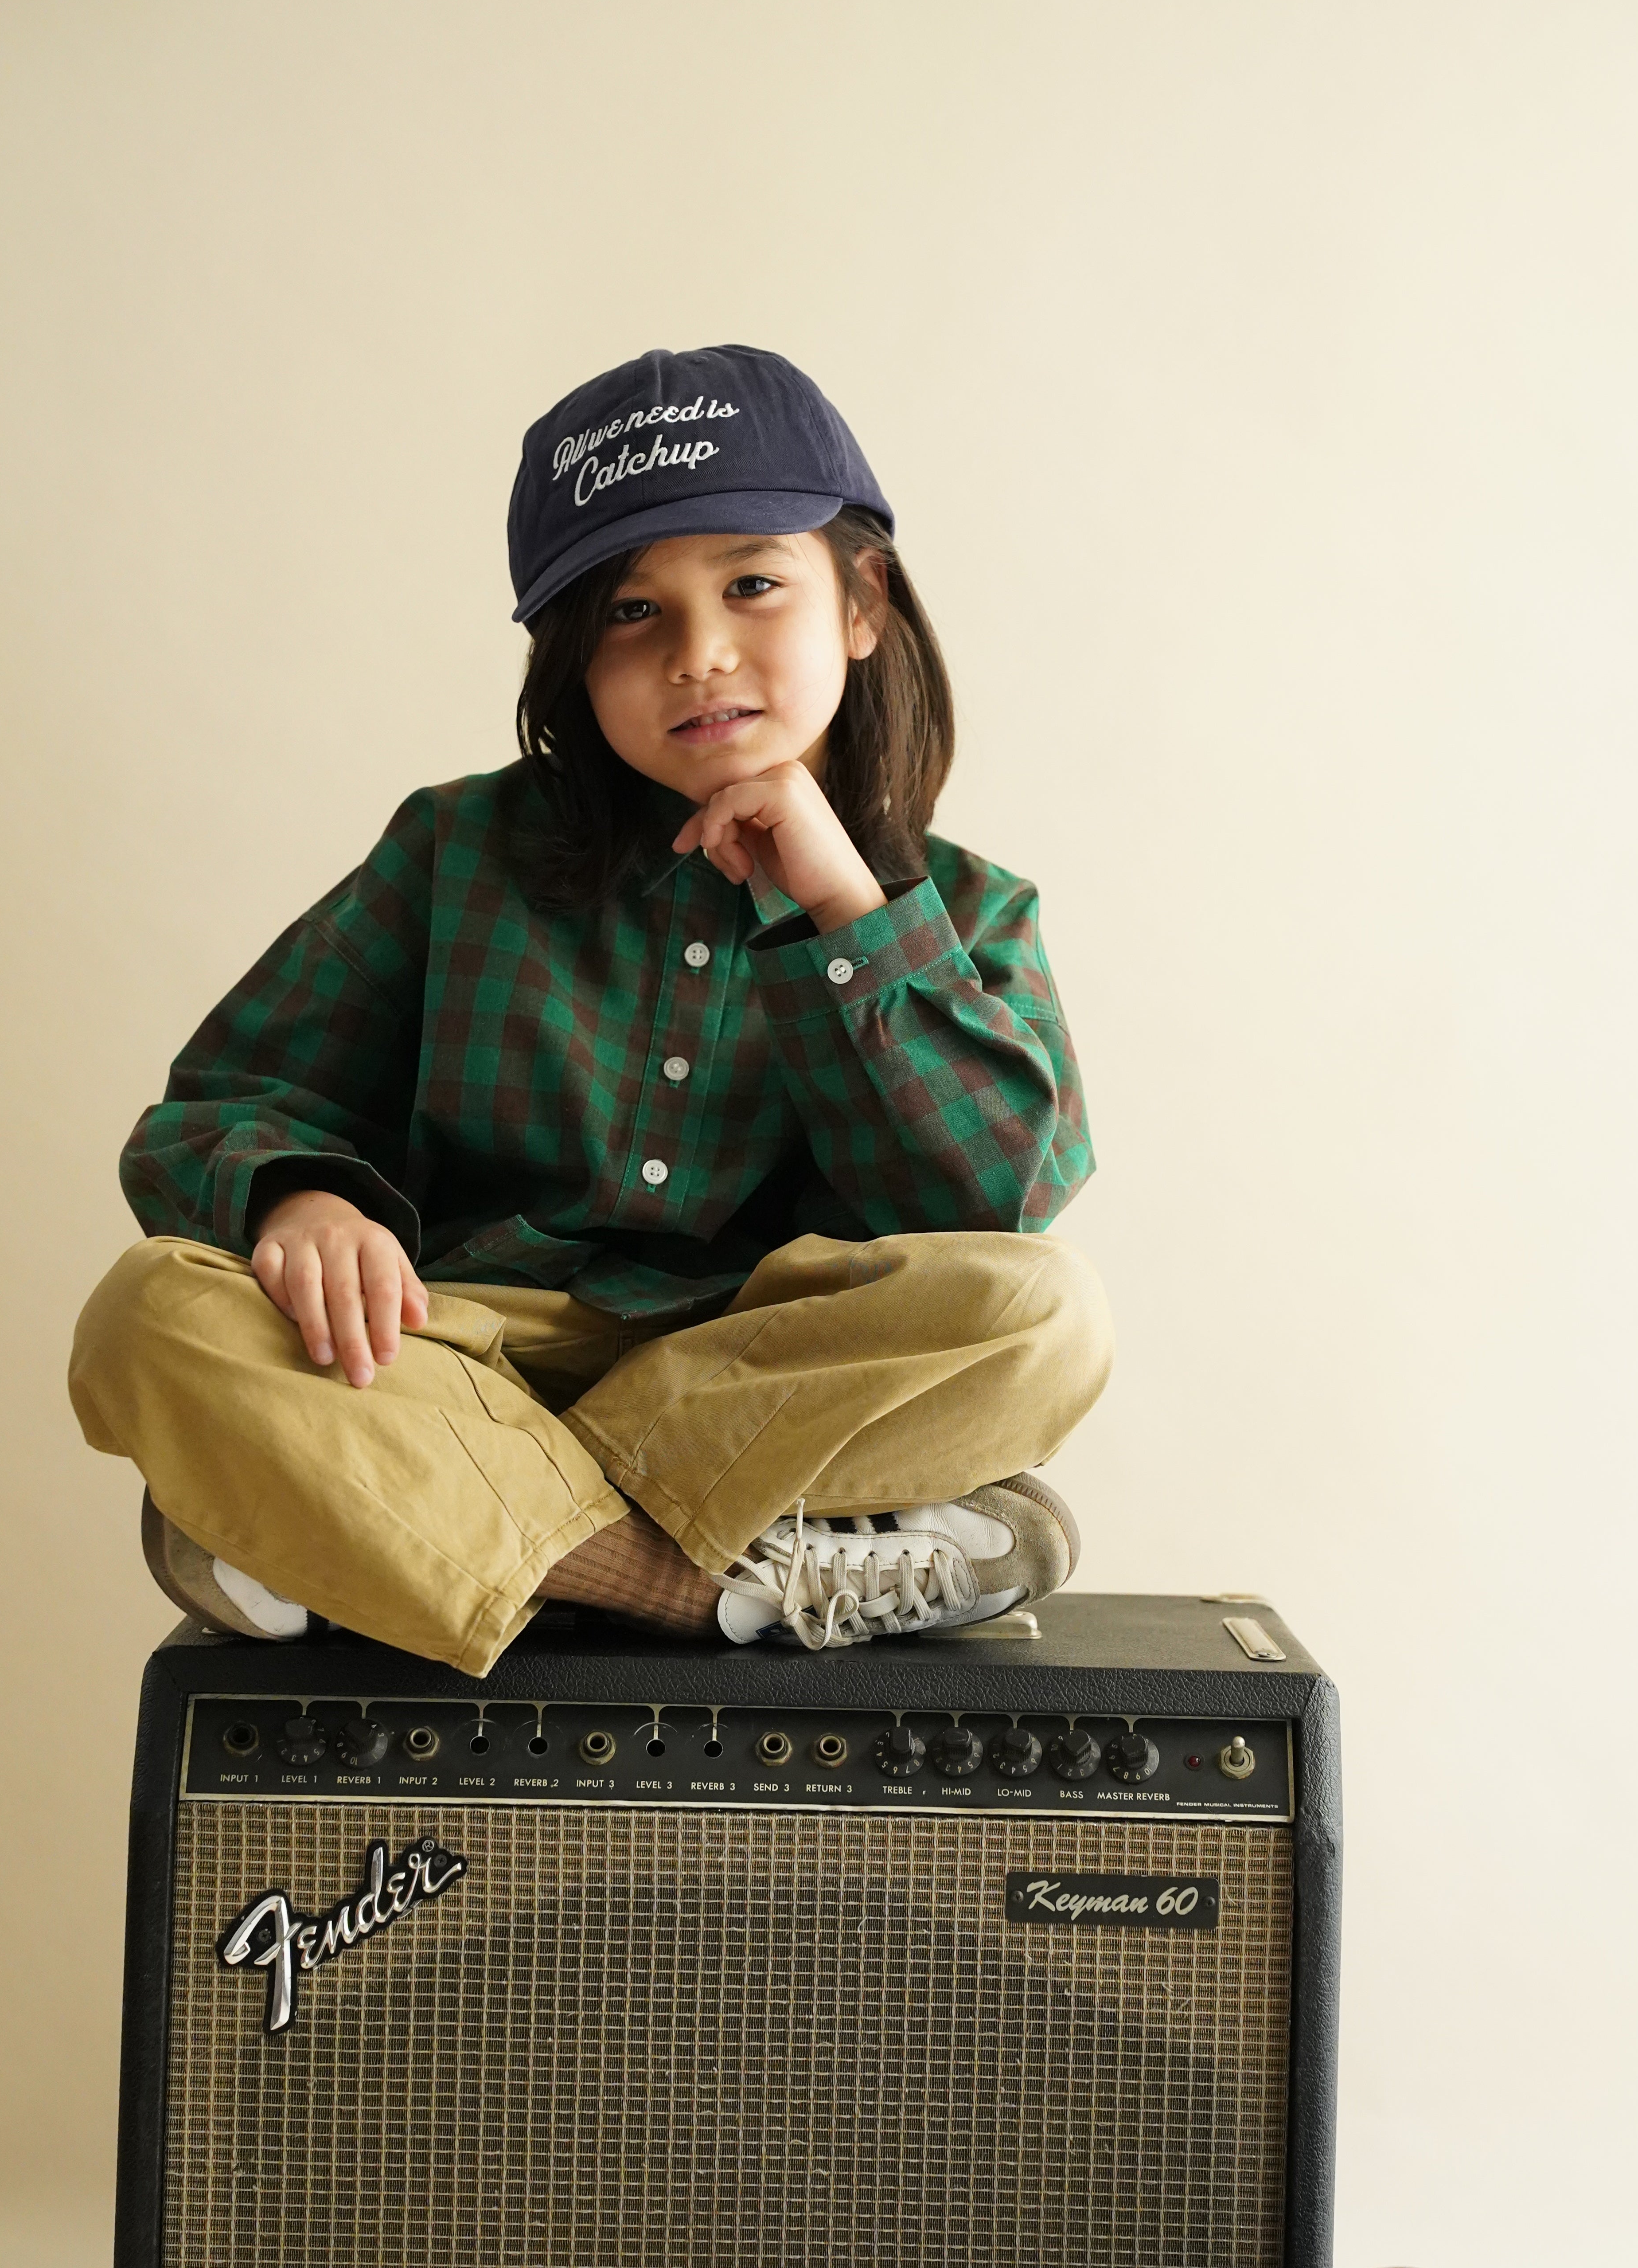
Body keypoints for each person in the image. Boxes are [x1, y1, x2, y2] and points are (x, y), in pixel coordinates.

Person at [69, 344, 1113, 1675]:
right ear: (572, 663)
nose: (699, 655)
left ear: (861, 604)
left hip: (762, 1379)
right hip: (460, 1357)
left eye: (752, 584)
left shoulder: (966, 909)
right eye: (632, 611)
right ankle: (696, 1585)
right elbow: (217, 1109)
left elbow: (995, 1201)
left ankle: (387, 1525)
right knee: (154, 1311)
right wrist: (301, 1202)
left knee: (1047, 1315)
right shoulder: (457, 850)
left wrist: (846, 912)